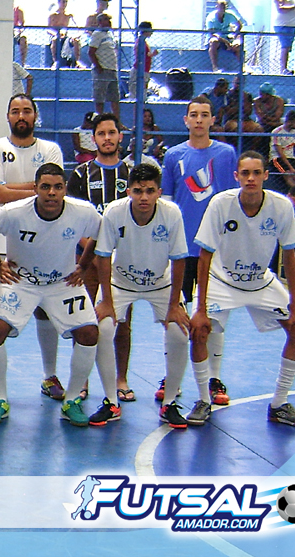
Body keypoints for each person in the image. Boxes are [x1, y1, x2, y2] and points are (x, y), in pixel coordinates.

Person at [186, 151, 295, 428]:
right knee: (199, 330)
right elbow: (204, 255)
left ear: (266, 176)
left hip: (260, 281)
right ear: (237, 177)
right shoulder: (221, 203)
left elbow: (290, 254)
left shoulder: (281, 206)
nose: (251, 178)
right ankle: (203, 400)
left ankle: (279, 404)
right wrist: (200, 308)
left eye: (257, 173)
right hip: (222, 280)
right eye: (245, 173)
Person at [0, 162, 101, 427]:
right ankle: (0, 398)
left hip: (62, 283)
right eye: (45, 187)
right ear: (35, 188)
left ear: (65, 189)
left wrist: (83, 265)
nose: (51, 193)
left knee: (89, 333)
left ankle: (72, 400)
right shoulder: (13, 212)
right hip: (21, 281)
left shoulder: (83, 211)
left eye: (57, 187)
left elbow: (99, 235)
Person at [0, 94, 66, 402]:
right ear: (7, 116)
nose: (21, 116)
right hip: (3, 245)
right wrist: (34, 189)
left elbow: (52, 193)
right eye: (15, 110)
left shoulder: (51, 149)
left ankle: (49, 375)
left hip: (44, 244)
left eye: (26, 111)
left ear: (34, 115)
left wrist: (10, 190)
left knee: (45, 310)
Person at [93, 163, 190, 427]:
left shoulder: (172, 214)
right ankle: (111, 401)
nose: (144, 197)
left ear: (159, 192)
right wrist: (107, 302)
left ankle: (169, 402)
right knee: (103, 330)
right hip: (120, 282)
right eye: (138, 191)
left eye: (149, 191)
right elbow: (102, 256)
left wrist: (174, 305)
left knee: (179, 333)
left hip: (161, 283)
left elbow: (179, 259)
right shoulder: (114, 212)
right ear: (128, 192)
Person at [160, 95, 238, 405]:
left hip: (215, 250)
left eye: (205, 114)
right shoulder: (173, 155)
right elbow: (166, 203)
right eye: (194, 114)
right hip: (181, 249)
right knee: (177, 315)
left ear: (212, 120)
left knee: (214, 316)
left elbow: (231, 201)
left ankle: (214, 379)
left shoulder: (226, 154)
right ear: (186, 120)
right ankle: (173, 378)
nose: (199, 120)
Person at [66, 113, 133, 401]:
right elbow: (72, 220)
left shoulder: (131, 173)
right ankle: (81, 380)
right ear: (93, 139)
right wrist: (93, 254)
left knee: (122, 322)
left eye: (111, 133)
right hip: (87, 261)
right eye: (101, 134)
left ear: (120, 136)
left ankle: (121, 379)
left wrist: (115, 255)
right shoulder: (82, 174)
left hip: (122, 262)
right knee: (84, 320)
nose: (107, 138)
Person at [88, 13, 119, 118]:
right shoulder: (97, 34)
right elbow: (91, 52)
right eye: (106, 19)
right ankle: (100, 119)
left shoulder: (110, 34)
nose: (109, 22)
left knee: (115, 97)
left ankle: (116, 121)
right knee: (100, 97)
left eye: (109, 19)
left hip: (112, 69)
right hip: (102, 69)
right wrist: (98, 66)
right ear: (100, 22)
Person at [270, 110, 295, 191]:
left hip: (291, 157)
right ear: (289, 122)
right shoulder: (277, 132)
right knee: (288, 174)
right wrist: (291, 167)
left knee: (294, 177)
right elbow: (280, 153)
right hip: (278, 158)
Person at [206, 0, 241, 73]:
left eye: (224, 7)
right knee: (214, 42)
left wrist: (235, 36)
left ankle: (242, 68)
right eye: (220, 7)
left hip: (227, 38)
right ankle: (215, 68)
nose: (222, 9)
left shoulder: (230, 15)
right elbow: (212, 33)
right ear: (216, 7)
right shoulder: (211, 17)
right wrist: (226, 42)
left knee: (238, 45)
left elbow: (239, 25)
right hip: (216, 39)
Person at [274, 0, 295, 75]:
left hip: (291, 25)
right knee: (285, 47)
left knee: (288, 47)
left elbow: (291, 11)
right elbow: (281, 9)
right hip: (284, 25)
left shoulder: (291, 1)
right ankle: (283, 69)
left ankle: (285, 68)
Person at [129, 21, 158, 102]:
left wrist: (151, 55)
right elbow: (140, 56)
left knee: (142, 92)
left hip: (144, 69)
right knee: (136, 94)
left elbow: (144, 55)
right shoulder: (140, 42)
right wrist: (152, 54)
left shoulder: (142, 42)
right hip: (140, 70)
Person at [48, 0, 81, 68]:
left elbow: (77, 27)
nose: (64, 3)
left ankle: (77, 61)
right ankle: (55, 61)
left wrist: (75, 35)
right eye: (62, 1)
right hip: (55, 35)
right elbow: (48, 29)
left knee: (76, 41)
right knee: (55, 40)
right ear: (59, 2)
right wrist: (56, 34)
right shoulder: (53, 15)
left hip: (67, 36)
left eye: (65, 2)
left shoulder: (69, 15)